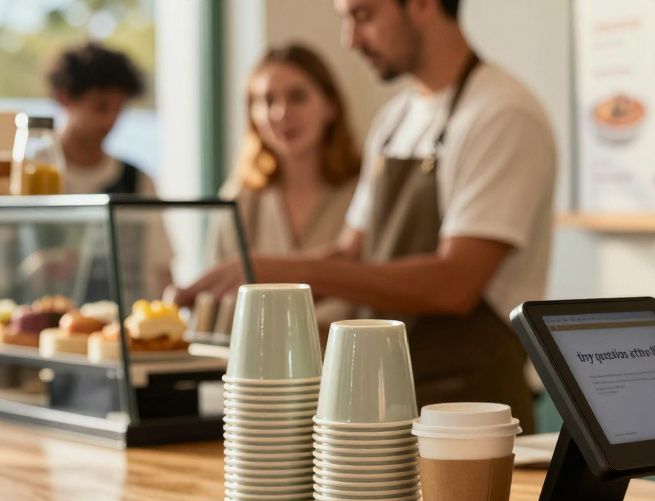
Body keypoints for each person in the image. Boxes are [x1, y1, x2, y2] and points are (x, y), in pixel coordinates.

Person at [178, 0, 556, 432]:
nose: (350, 40)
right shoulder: (395, 120)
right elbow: (350, 253)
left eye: (363, 15)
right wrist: (261, 284)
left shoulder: (500, 114)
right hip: (388, 406)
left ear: (422, 6)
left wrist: (288, 270)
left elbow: (456, 284)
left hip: (471, 418)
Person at [222, 43, 360, 259]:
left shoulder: (364, 192)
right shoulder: (240, 200)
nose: (281, 113)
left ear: (330, 105)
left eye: (297, 97)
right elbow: (216, 288)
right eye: (268, 100)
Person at [47, 41, 155, 196]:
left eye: (118, 109)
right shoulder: (25, 175)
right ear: (64, 98)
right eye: (100, 107)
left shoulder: (138, 183)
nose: (110, 120)